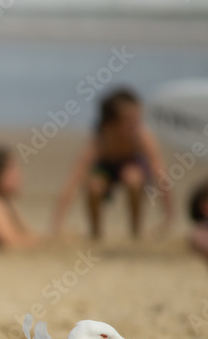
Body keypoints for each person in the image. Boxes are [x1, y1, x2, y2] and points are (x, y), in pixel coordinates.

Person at [50, 87, 171, 240]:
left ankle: (135, 230)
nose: (135, 124)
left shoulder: (141, 136)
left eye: (137, 119)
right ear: (110, 123)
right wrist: (58, 223)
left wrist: (168, 215)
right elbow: (73, 180)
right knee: (94, 185)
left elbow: (160, 173)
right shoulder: (100, 140)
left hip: (131, 166)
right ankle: (96, 233)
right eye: (129, 121)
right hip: (105, 168)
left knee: (133, 178)